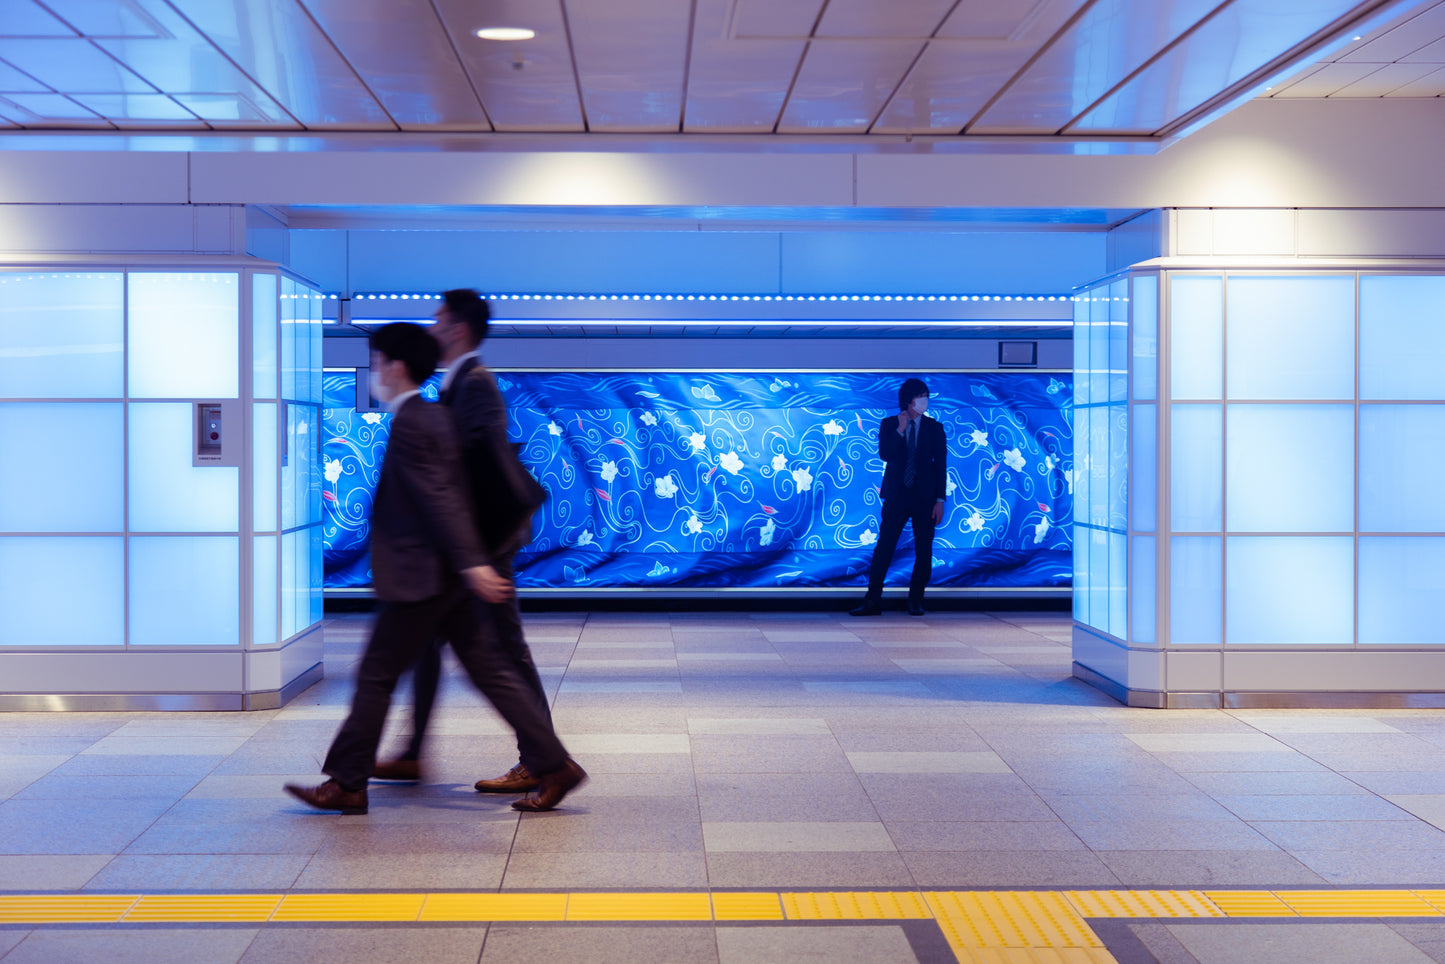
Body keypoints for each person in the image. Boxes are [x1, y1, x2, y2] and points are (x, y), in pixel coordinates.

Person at [284, 322, 584, 815]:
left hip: (422, 578)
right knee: (490, 673)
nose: (374, 373)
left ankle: (346, 782)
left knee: (378, 675)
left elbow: (441, 500)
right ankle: (555, 766)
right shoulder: (432, 417)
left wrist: (472, 564)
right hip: (444, 577)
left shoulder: (414, 421)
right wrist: (470, 565)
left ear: (395, 367)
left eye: (377, 362)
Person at [372, 289, 550, 795]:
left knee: (506, 655)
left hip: (484, 551)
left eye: (438, 320)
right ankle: (411, 754)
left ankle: (542, 761)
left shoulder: (475, 384)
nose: (430, 329)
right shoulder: (459, 385)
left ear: (458, 330)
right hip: (466, 550)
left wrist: (474, 557)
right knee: (431, 645)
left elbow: (473, 468)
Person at [850, 377, 947, 617]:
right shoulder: (889, 424)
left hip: (924, 498)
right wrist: (900, 430)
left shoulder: (935, 428)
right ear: (908, 401)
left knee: (924, 550)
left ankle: (915, 600)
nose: (925, 400)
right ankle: (872, 600)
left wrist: (939, 501)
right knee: (884, 548)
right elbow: (885, 453)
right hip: (896, 496)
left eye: (926, 395)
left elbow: (941, 465)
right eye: (920, 396)